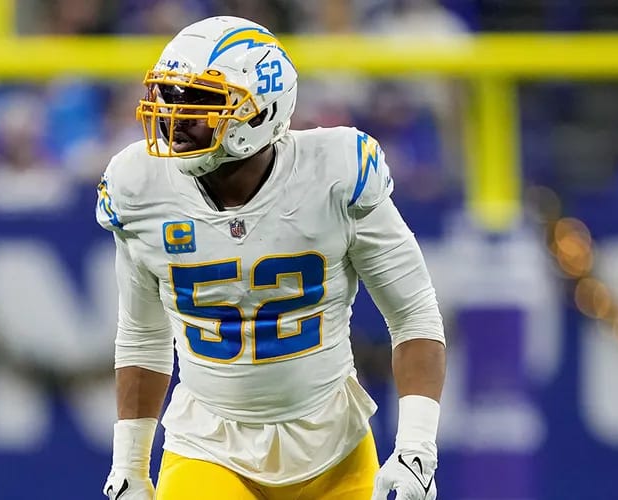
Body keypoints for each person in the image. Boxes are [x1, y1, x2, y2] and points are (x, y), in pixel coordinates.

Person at [96, 16, 446, 500]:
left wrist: (416, 447)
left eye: (199, 100)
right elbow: (142, 336)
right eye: (170, 96)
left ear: (260, 113)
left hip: (334, 448)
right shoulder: (139, 185)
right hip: (207, 445)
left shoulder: (335, 173)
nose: (174, 117)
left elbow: (414, 315)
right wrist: (129, 465)